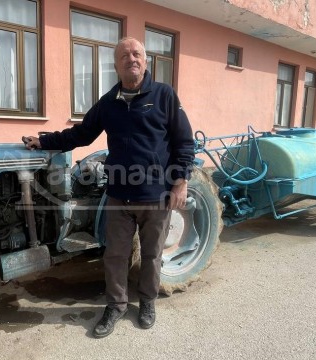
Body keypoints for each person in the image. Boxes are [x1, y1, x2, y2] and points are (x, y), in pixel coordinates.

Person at [23, 37, 194, 338]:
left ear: (145, 60)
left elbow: (184, 142)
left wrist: (181, 182)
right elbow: (83, 133)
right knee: (115, 255)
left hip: (157, 195)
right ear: (116, 65)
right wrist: (45, 142)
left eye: (137, 53)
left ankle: (147, 302)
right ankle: (115, 305)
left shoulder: (164, 95)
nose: (132, 58)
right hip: (119, 195)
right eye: (124, 55)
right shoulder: (109, 102)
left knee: (152, 255)